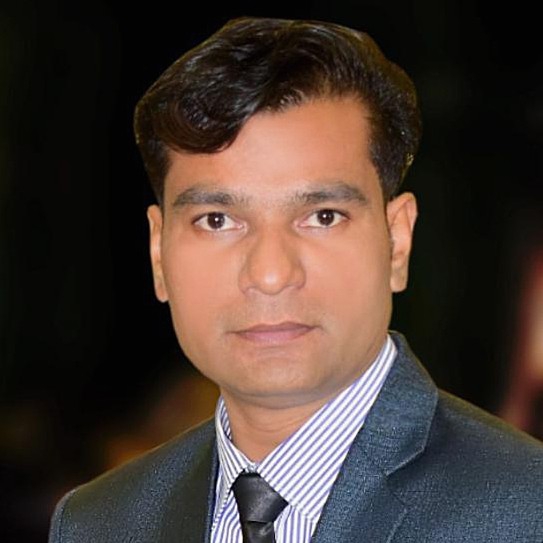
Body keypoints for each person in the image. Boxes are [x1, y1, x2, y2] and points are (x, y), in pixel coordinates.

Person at [48, 16, 543, 543]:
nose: (269, 274)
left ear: (397, 241)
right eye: (217, 220)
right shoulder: (97, 523)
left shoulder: (525, 508)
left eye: (322, 217)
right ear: (158, 254)